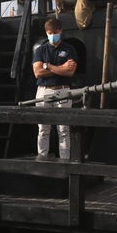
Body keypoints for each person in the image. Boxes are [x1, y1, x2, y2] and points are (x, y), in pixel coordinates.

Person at [31, 17, 78, 160]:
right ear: (46, 32)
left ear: (60, 31)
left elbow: (70, 71)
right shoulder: (40, 50)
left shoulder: (69, 49)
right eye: (49, 32)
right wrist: (60, 68)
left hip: (63, 90)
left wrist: (48, 66)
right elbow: (37, 72)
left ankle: (65, 159)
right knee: (43, 128)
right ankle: (42, 157)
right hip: (44, 89)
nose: (52, 35)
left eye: (55, 32)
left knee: (63, 129)